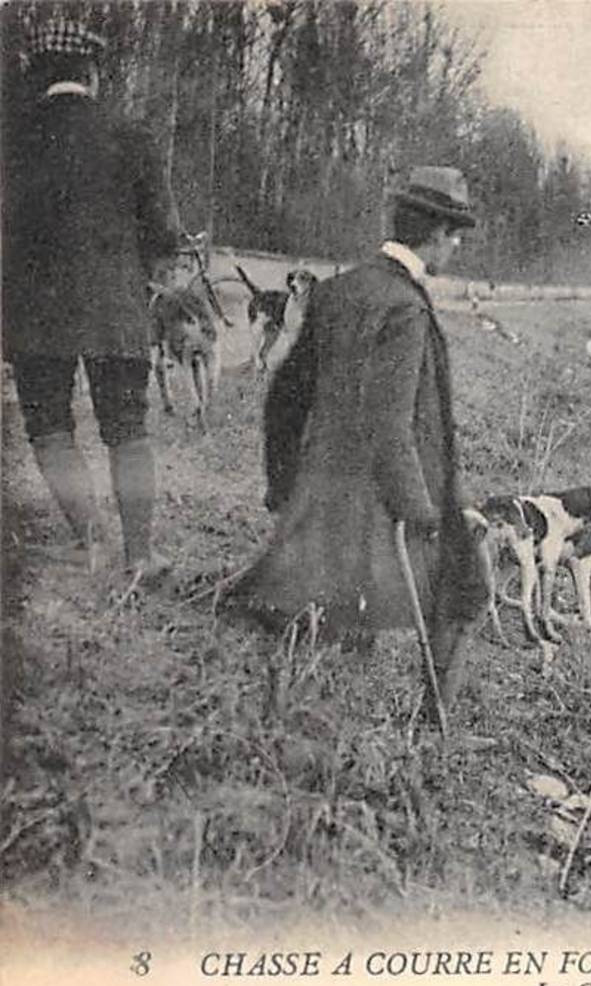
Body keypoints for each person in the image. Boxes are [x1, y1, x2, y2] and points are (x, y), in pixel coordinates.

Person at [227, 166, 486, 722]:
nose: (458, 245)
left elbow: (284, 398)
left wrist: (282, 483)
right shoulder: (407, 308)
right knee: (466, 589)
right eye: (456, 233)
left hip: (323, 488)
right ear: (435, 232)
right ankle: (433, 727)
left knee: (339, 604)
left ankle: (320, 710)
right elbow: (389, 426)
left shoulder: (339, 290)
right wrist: (424, 514)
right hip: (384, 497)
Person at [1, 15, 184, 579]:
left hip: (35, 310)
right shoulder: (133, 134)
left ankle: (88, 540)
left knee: (50, 424)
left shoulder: (14, 136)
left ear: (36, 74)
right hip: (116, 309)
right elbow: (165, 235)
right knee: (127, 427)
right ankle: (140, 555)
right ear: (94, 73)